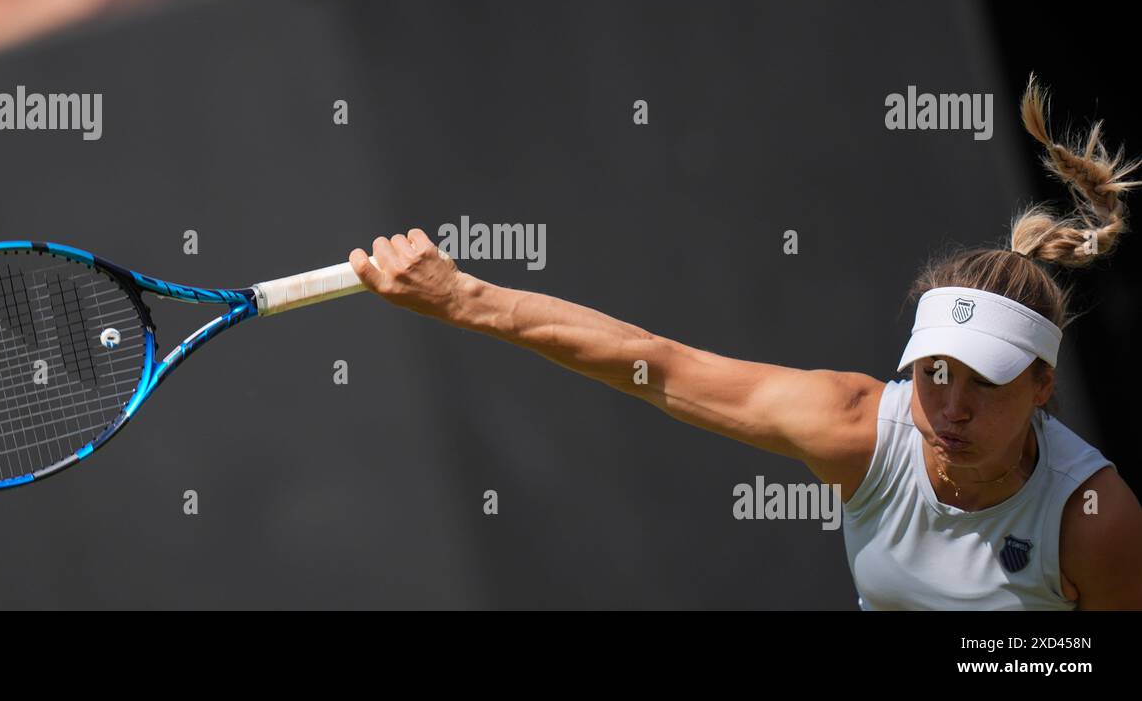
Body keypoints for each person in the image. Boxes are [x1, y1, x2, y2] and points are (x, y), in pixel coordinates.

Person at [347, 75, 1142, 609]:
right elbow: (655, 365)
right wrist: (465, 296)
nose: (952, 408)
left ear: (1042, 385)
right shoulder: (854, 427)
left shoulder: (1094, 517)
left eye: (987, 382)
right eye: (935, 373)